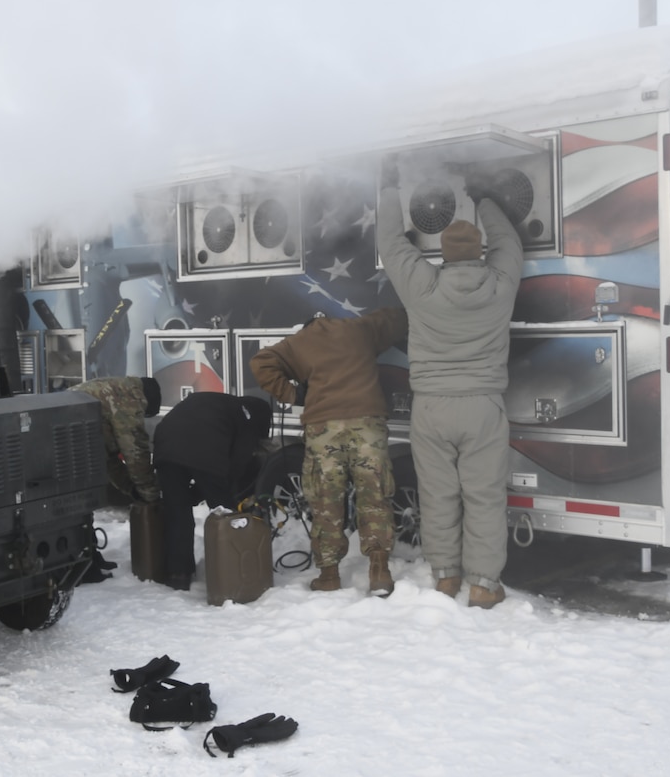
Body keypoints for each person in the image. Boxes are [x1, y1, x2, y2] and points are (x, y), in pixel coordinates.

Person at [376, 155, 523, 608]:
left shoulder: (423, 286)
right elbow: (509, 243)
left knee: (438, 495)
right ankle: (482, 585)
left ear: (443, 253)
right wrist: (482, 197)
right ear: (479, 253)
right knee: (484, 497)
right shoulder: (501, 284)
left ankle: (444, 577)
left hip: (432, 407)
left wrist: (388, 188)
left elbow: (390, 243)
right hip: (482, 406)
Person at [250, 308, 408, 596]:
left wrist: (294, 394)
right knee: (374, 495)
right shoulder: (360, 328)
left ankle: (329, 575)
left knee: (325, 499)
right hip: (367, 424)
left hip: (324, 429)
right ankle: (379, 572)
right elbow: (398, 317)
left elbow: (261, 363)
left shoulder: (301, 341)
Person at [152, 392, 273, 590]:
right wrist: (220, 495)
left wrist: (194, 494)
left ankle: (178, 573)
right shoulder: (247, 418)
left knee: (177, 514)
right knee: (226, 514)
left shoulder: (221, 403)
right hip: (205, 450)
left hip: (165, 448)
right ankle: (235, 571)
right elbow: (235, 467)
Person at [70, 376, 162, 506]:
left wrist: (130, 488)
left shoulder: (114, 387)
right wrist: (150, 494)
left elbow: (107, 459)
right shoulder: (129, 397)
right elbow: (135, 451)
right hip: (66, 447)